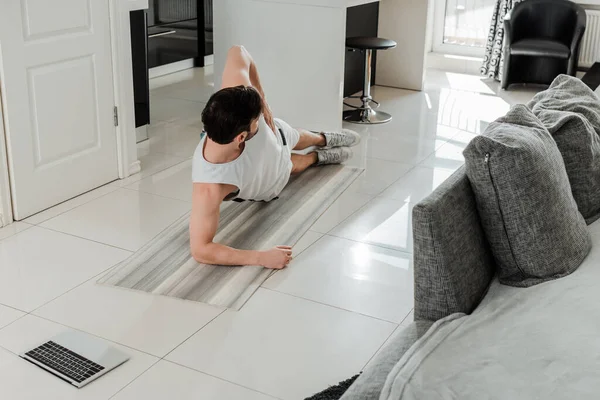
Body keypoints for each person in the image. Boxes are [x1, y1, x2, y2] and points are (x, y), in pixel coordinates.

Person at [190, 45, 360, 270]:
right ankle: (318, 158)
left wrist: (264, 103)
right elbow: (201, 249)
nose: (258, 115)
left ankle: (323, 138)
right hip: (266, 178)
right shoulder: (210, 185)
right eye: (256, 118)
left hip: (276, 134)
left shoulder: (231, 100)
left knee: (299, 135)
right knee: (293, 165)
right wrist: (261, 258)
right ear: (241, 136)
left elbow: (238, 52)